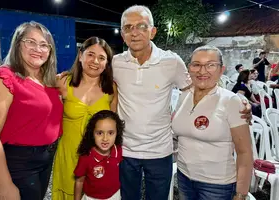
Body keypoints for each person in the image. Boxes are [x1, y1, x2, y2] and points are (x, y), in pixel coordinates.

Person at [113, 5, 252, 200]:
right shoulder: (115, 63)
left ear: (153, 32)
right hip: (125, 149)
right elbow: (92, 79)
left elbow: (199, 85)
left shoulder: (171, 61)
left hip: (160, 151)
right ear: (122, 34)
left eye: (141, 26)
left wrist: (237, 99)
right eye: (128, 27)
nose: (134, 33)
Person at [0, 21, 63, 200]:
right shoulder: (3, 79)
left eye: (44, 45)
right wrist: (5, 185)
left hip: (46, 158)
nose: (37, 48)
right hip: (21, 162)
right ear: (17, 43)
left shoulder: (48, 82)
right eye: (30, 42)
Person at [172, 46, 253, 200]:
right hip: (184, 177)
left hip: (217, 185)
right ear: (189, 68)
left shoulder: (231, 101)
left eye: (210, 65)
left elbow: (244, 152)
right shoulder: (183, 96)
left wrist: (241, 193)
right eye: (196, 64)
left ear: (221, 69)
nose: (202, 71)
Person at [52, 37, 118, 200]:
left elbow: (113, 129)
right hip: (69, 155)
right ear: (80, 55)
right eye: (90, 54)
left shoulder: (111, 89)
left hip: (98, 158)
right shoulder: (62, 82)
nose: (95, 61)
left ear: (107, 63)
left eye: (102, 58)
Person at [74, 110, 124, 200]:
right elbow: (79, 181)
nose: (105, 138)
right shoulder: (86, 157)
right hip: (91, 198)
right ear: (92, 134)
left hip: (114, 196)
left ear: (117, 133)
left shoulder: (118, 150)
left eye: (110, 133)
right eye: (100, 133)